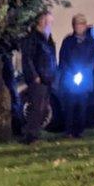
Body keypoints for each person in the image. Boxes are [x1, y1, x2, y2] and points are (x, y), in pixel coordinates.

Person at [58, 14, 94, 138]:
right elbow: (63, 59)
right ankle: (69, 131)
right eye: (77, 24)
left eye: (81, 24)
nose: (79, 27)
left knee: (82, 106)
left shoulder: (90, 41)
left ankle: (79, 131)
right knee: (70, 105)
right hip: (70, 78)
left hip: (84, 78)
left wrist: (84, 71)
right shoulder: (68, 41)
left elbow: (93, 60)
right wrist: (71, 72)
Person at [21, 11, 57, 144]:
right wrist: (34, 75)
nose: (50, 25)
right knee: (37, 108)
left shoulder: (48, 39)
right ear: (41, 21)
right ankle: (30, 136)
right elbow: (28, 59)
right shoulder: (33, 39)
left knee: (43, 109)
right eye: (48, 22)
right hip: (39, 79)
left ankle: (34, 134)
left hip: (47, 78)